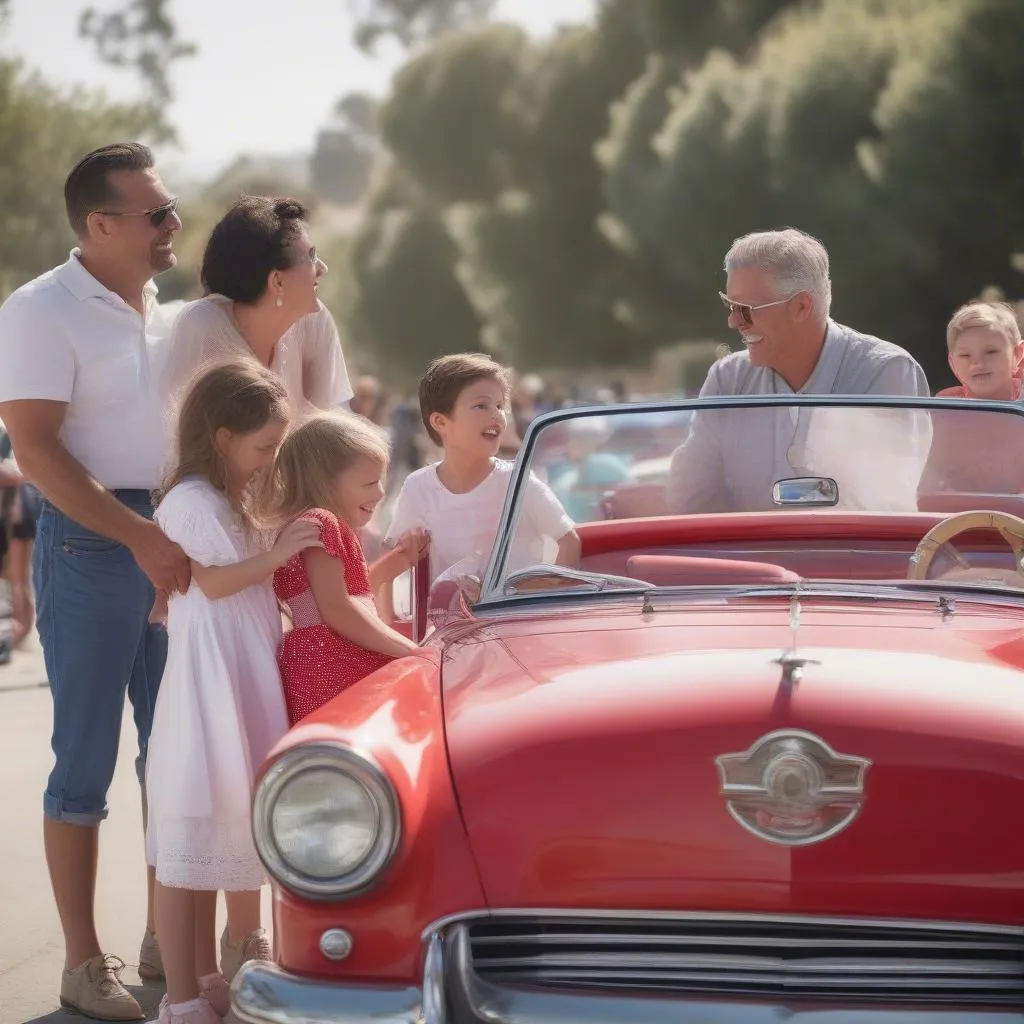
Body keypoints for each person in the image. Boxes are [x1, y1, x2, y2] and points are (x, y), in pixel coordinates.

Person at [0, 142, 190, 1021]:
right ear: (99, 223)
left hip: (172, 536)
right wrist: (140, 536)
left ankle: (167, 935)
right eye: (156, 213)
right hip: (92, 544)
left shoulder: (172, 312)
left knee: (175, 757)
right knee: (84, 764)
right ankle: (81, 964)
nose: (173, 224)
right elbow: (36, 452)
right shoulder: (38, 309)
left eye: (171, 207)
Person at [145, 361, 319, 1024]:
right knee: (187, 846)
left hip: (240, 674)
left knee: (218, 831)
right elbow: (214, 583)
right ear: (222, 437)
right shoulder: (191, 500)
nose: (269, 459)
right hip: (208, 684)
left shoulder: (229, 501)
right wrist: (278, 552)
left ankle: (207, 981)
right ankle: (182, 996)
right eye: (263, 446)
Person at [665, 228, 930, 514]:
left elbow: (880, 506)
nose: (733, 321)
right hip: (749, 557)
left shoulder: (886, 371)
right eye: (730, 305)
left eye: (745, 308)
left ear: (802, 306)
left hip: (848, 556)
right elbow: (690, 498)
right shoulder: (726, 379)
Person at [272, 412, 431, 724]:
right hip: (329, 663)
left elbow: (338, 595)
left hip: (321, 658)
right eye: (370, 483)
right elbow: (336, 608)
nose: (381, 493)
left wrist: (394, 563)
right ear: (326, 483)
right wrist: (411, 651)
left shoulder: (321, 523)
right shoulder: (322, 521)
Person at [383, 353, 580, 590]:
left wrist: (543, 594)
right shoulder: (418, 487)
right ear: (441, 422)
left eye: (499, 406)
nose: (496, 415)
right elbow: (389, 561)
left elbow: (568, 540)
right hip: (452, 624)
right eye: (480, 406)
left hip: (517, 621)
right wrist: (389, 621)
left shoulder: (517, 481)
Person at [161, 195, 352, 420]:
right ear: (277, 282)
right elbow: (183, 437)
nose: (323, 268)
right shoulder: (203, 327)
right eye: (311, 257)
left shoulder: (315, 321)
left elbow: (329, 427)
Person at [937, 300, 1023, 400]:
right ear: (953, 363)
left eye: (991, 352)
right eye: (965, 355)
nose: (978, 364)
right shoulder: (944, 409)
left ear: (1017, 354)